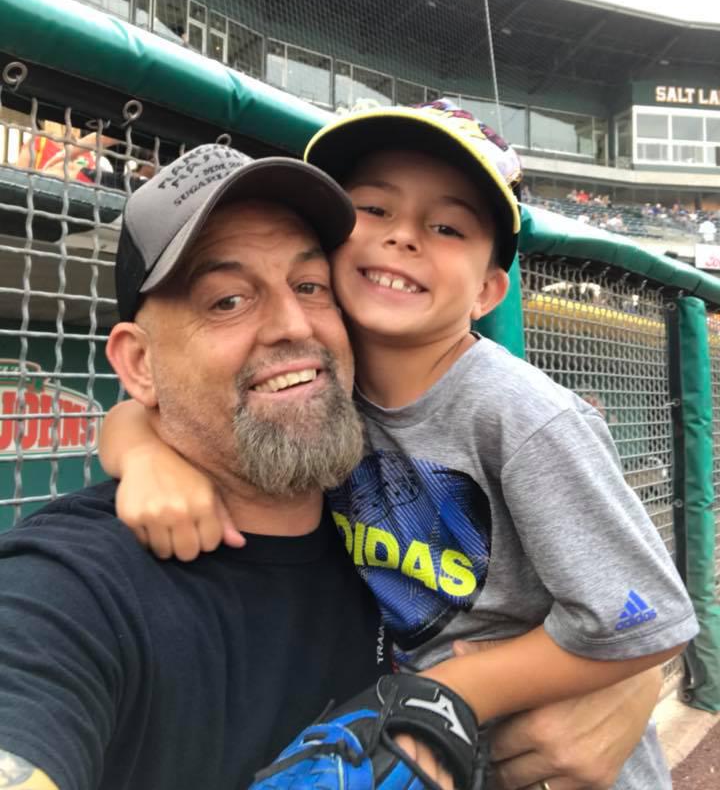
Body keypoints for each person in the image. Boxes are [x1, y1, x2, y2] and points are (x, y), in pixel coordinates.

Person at [101, 106, 696, 789]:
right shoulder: (321, 395)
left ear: (487, 291)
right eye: (374, 209)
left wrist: (457, 688)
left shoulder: (524, 416)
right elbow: (138, 410)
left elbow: (648, 614)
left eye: (447, 227)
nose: (403, 237)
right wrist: (142, 454)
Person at [0, 145, 396, 790]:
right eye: (228, 301)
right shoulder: (68, 593)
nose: (293, 325)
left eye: (310, 286)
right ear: (139, 367)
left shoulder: (409, 501)